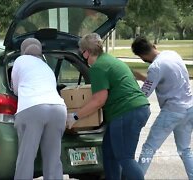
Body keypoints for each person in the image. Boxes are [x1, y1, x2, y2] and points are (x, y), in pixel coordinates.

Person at [66, 33, 150, 180]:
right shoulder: (110, 60)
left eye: (81, 52)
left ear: (86, 52)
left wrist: (75, 116)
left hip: (127, 111)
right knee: (109, 152)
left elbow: (99, 100)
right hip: (136, 108)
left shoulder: (98, 67)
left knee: (125, 158)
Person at [131, 36, 193, 179]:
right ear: (152, 45)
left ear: (142, 56)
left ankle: (137, 177)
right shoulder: (172, 55)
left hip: (172, 111)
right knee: (185, 149)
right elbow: (166, 80)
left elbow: (145, 93)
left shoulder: (155, 67)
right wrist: (141, 77)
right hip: (189, 108)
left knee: (149, 148)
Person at [11, 38, 67, 179]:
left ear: (22, 51)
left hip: (32, 108)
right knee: (53, 159)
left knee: (27, 158)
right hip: (58, 109)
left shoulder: (20, 61)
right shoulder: (46, 66)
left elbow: (16, 89)